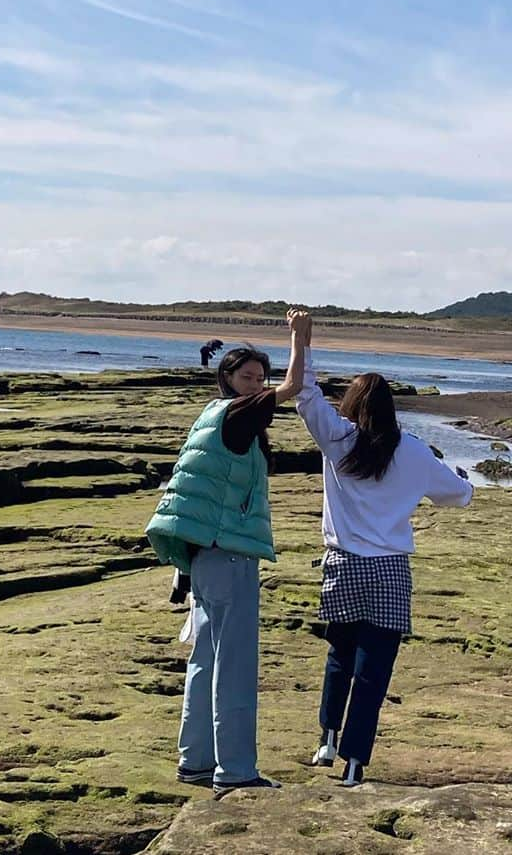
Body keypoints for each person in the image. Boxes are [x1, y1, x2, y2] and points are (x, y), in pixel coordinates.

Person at [294, 320, 473, 787]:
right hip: (391, 571)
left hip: (343, 565)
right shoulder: (413, 452)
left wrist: (302, 342)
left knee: (339, 653)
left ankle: (327, 739)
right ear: (392, 409)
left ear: (351, 407)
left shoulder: (339, 440)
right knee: (373, 671)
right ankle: (355, 765)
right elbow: (458, 496)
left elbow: (306, 395)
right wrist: (464, 481)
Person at [146, 310, 311, 797]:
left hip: (202, 558)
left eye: (261, 377)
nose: (258, 384)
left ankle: (195, 761)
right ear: (228, 378)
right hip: (230, 554)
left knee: (204, 659)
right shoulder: (240, 413)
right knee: (234, 664)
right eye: (249, 377)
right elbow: (294, 387)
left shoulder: (211, 414)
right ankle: (235, 769)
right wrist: (300, 339)